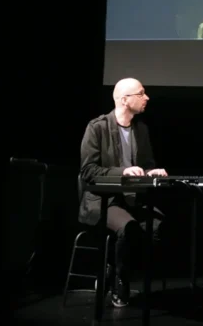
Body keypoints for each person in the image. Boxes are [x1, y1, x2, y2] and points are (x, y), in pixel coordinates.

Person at [78, 77, 169, 307]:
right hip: (102, 201)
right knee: (128, 229)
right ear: (125, 100)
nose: (146, 98)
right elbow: (88, 171)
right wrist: (124, 172)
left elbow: (145, 166)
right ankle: (120, 280)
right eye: (141, 94)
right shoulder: (97, 128)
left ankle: (116, 267)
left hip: (130, 199)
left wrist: (152, 172)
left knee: (157, 225)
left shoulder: (142, 130)